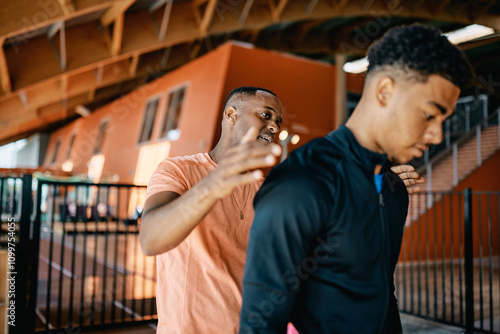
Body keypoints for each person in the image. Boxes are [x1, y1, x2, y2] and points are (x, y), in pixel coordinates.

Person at [239, 24, 474, 334]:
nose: (437, 135)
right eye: (430, 115)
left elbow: (383, 296)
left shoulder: (393, 189)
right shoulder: (302, 181)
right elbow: (260, 325)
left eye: (444, 120)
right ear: (384, 91)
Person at [140, 87, 423, 334]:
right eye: (265, 115)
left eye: (278, 121)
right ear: (231, 115)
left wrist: (373, 188)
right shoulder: (178, 170)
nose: (274, 126)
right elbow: (151, 238)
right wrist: (213, 184)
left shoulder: (269, 189)